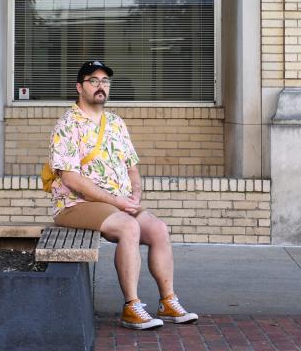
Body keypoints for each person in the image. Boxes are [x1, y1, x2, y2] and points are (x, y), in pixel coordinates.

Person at [47, 59, 198, 330]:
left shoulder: (115, 122)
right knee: (129, 227)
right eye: (93, 80)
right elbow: (71, 179)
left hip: (118, 203)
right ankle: (132, 306)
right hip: (77, 204)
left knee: (159, 229)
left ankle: (168, 301)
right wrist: (117, 202)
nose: (100, 86)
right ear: (79, 87)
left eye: (105, 81)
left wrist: (135, 196)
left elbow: (132, 166)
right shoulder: (67, 125)